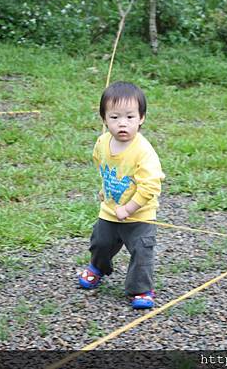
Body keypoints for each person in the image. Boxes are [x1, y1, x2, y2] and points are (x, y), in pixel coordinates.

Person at [79, 81, 164, 309]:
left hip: (139, 216)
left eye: (130, 117)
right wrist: (105, 190)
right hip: (110, 210)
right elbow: (104, 167)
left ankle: (141, 289)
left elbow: (150, 186)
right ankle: (98, 267)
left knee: (141, 251)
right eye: (114, 117)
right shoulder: (102, 143)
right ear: (104, 119)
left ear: (141, 118)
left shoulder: (143, 152)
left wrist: (129, 208)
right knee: (100, 242)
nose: (122, 124)